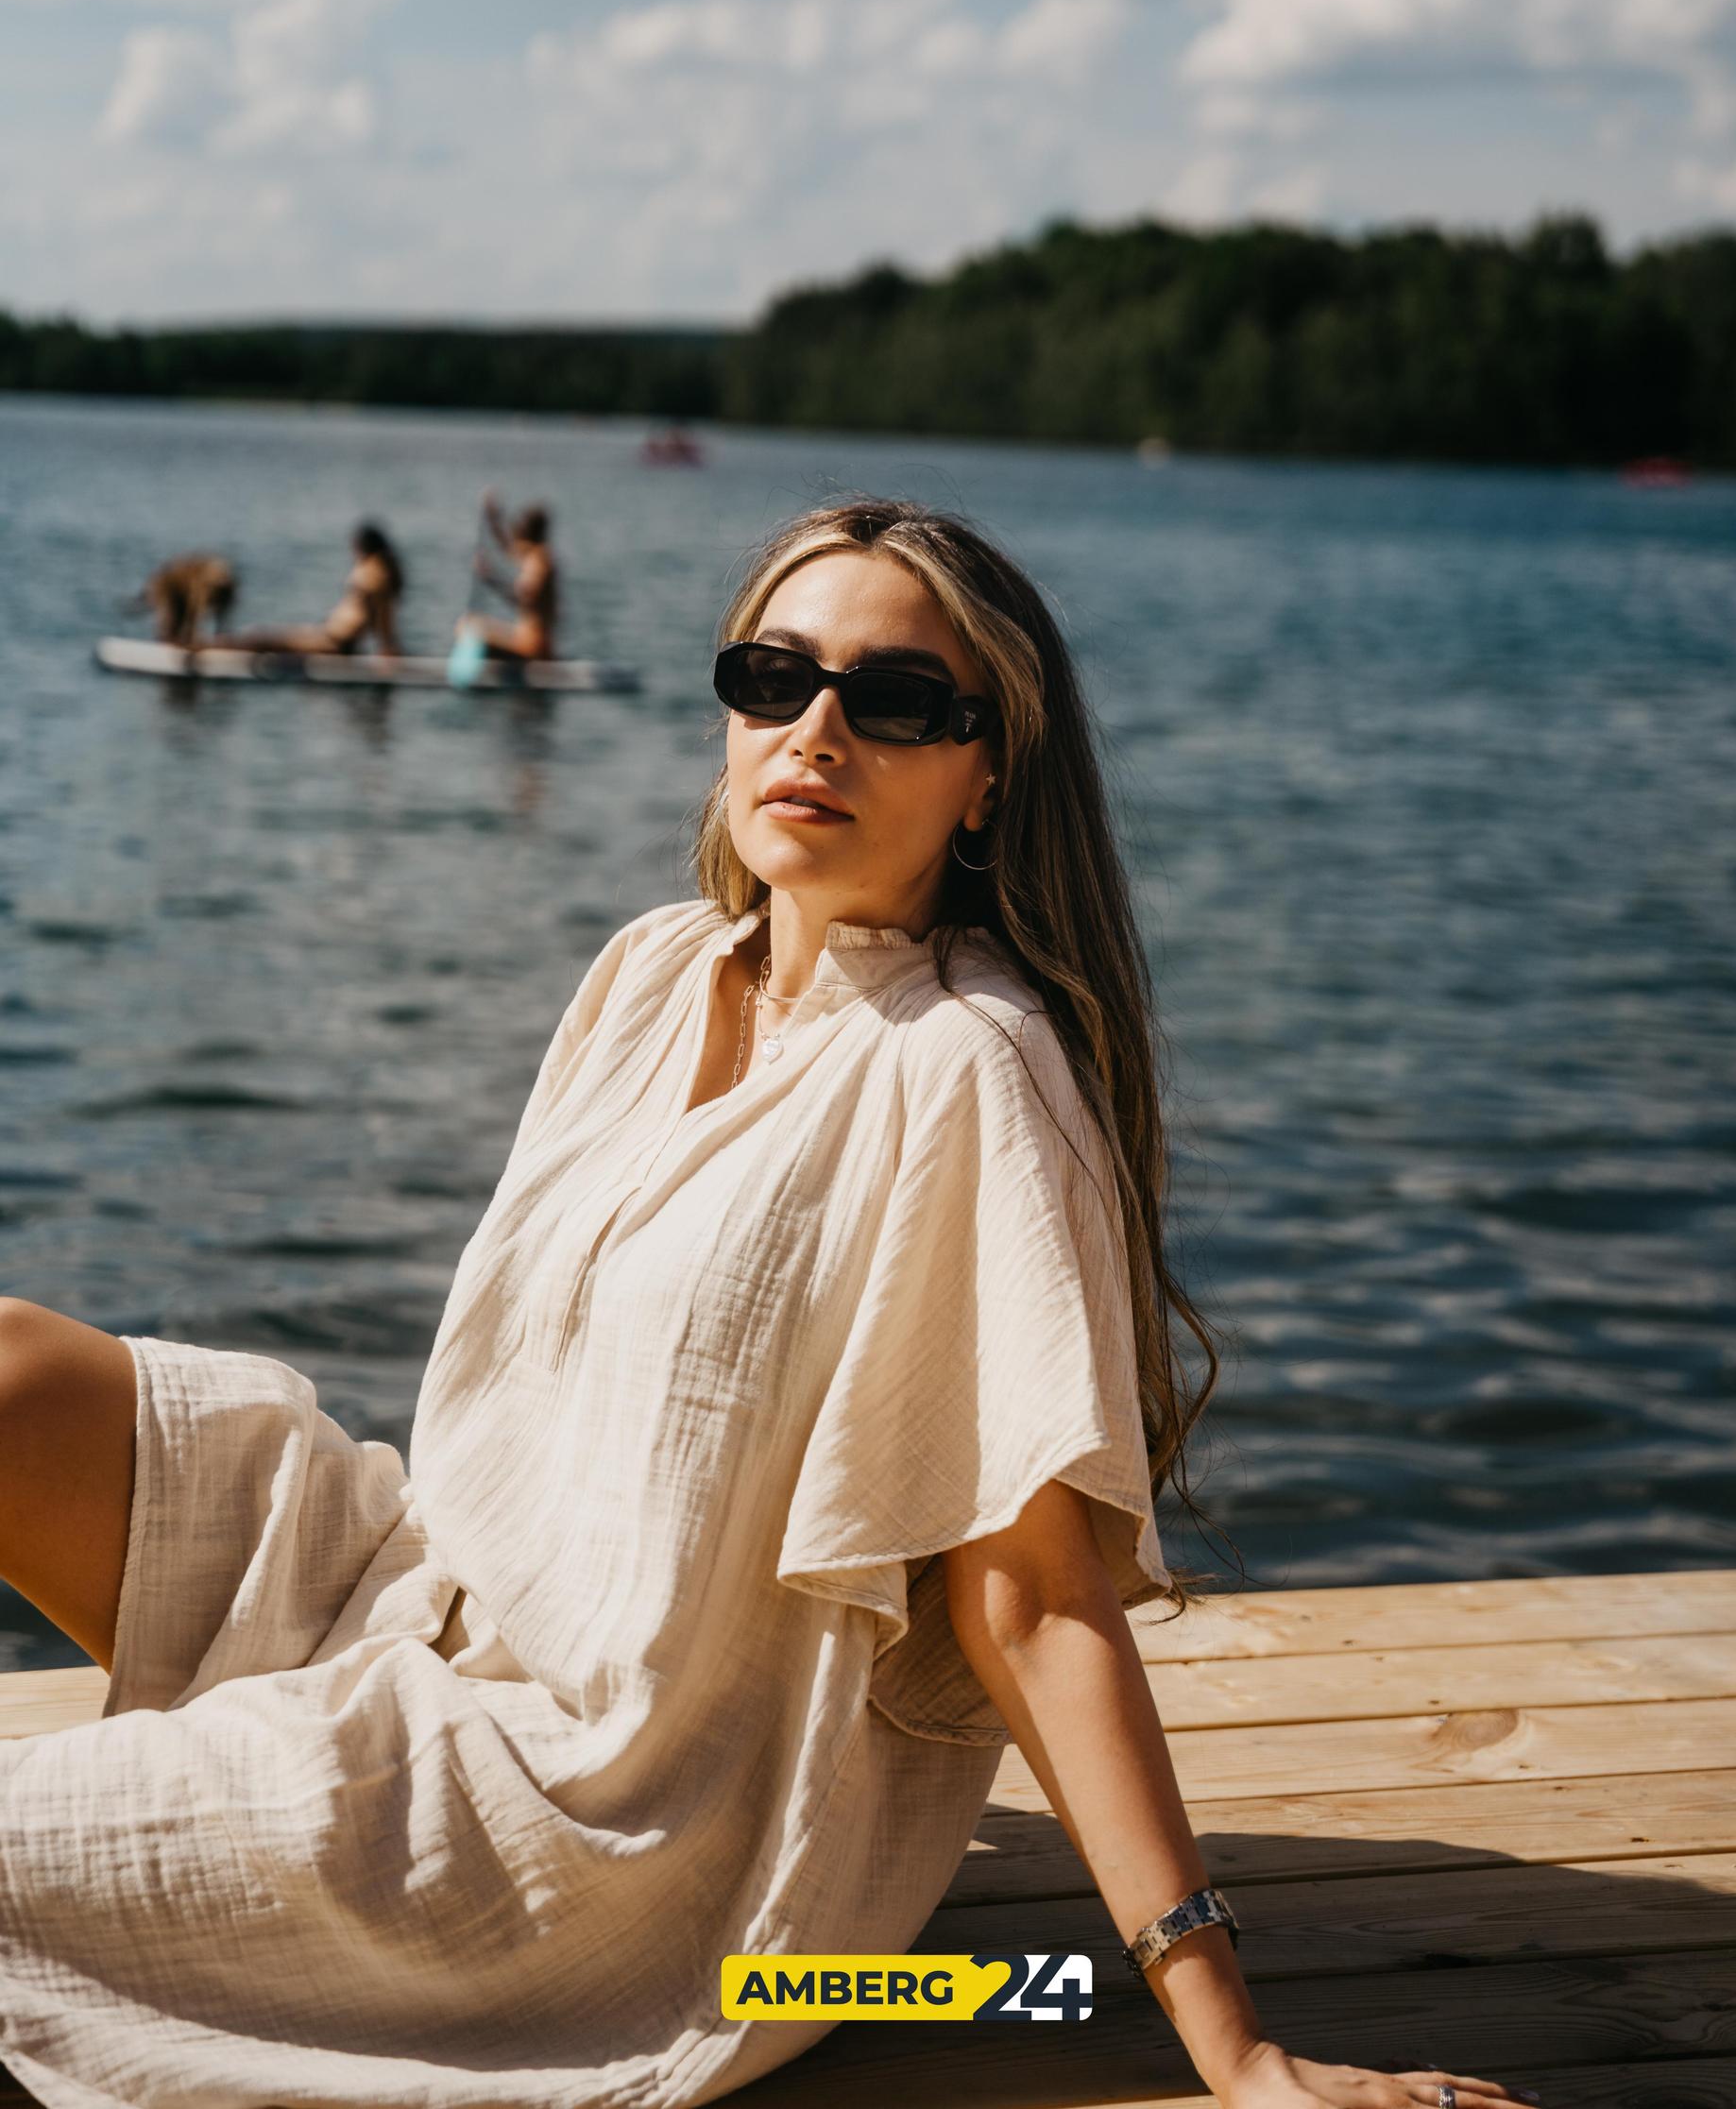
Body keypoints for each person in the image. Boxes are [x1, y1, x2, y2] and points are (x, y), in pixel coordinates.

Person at [0, 497, 1532, 2109]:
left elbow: (1031, 1596)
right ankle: (244, 1793)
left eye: (896, 702)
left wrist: (1238, 2050)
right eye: (773, 677)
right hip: (433, 1594)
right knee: (16, 1373)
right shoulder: (656, 970)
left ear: (988, 774)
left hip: (619, 1808)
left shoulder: (969, 1068)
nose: (816, 731)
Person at [213, 522, 405, 659]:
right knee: (260, 634)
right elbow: (381, 611)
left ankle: (210, 647)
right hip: (330, 637)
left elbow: (382, 610)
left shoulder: (374, 572)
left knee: (259, 637)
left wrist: (388, 646)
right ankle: (214, 644)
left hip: (335, 643)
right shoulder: (377, 570)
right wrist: (388, 644)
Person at [455, 490, 558, 660]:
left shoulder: (538, 563)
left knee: (467, 628)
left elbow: (525, 600)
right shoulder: (536, 556)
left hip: (533, 648)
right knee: (469, 623)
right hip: (526, 640)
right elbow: (508, 546)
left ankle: (474, 674)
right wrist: (493, 519)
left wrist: (491, 578)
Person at [131, 549, 238, 647]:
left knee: (179, 628)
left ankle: (175, 642)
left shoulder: (221, 585)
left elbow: (221, 619)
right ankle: (170, 645)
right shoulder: (199, 583)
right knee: (172, 626)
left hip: (184, 583)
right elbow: (193, 613)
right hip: (172, 585)